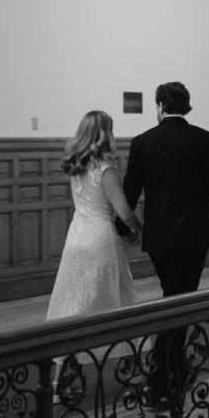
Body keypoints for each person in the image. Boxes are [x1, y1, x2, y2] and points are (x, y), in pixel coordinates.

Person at [121, 81, 209, 405]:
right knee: (179, 302)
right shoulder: (203, 139)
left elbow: (130, 191)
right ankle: (161, 382)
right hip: (193, 237)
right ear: (186, 106)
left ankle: (171, 371)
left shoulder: (142, 142)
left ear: (160, 107)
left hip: (159, 239)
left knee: (173, 299)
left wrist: (122, 231)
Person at [46, 110, 143, 378]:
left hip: (77, 236)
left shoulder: (76, 165)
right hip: (100, 239)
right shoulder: (105, 167)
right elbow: (122, 211)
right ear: (105, 133)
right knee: (120, 299)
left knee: (75, 302)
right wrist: (139, 228)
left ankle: (65, 366)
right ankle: (130, 359)